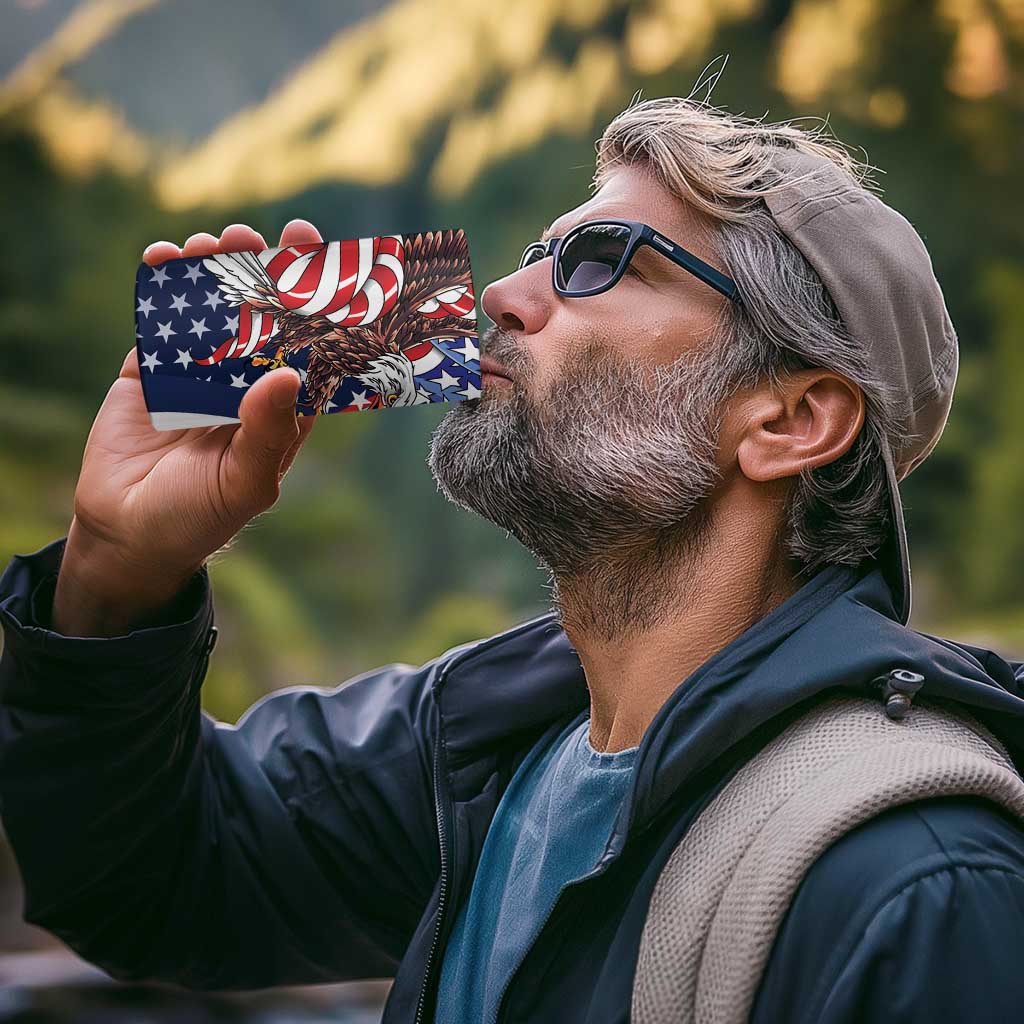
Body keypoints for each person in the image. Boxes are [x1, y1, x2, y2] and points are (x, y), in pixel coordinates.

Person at [2, 94, 1024, 1024]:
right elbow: (149, 880)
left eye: (599, 262)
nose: (500, 292)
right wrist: (115, 572)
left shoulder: (918, 884)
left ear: (790, 419)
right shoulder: (480, 747)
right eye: (540, 252)